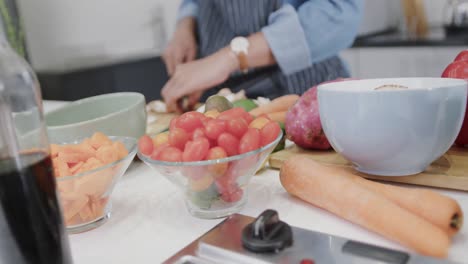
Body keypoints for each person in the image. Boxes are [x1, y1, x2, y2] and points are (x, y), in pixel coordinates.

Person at [161, 0, 363, 112]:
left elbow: (338, 14)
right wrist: (185, 26)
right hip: (220, 97)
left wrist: (230, 57)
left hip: (302, 95)